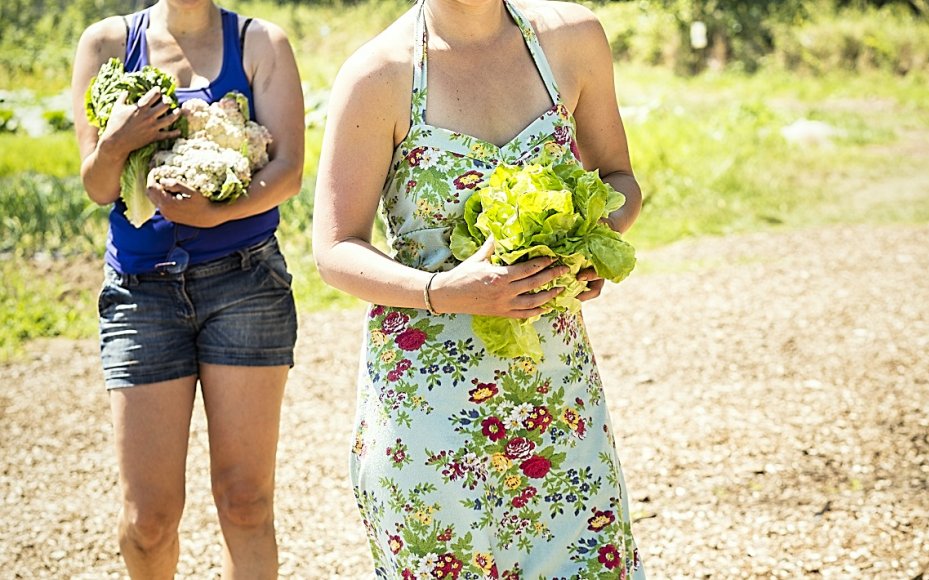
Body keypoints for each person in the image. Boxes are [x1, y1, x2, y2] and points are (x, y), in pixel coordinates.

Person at [312, 0, 644, 576]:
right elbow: (335, 249)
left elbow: (618, 178)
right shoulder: (379, 73)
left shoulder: (573, 38)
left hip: (556, 393)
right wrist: (446, 290)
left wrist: (587, 245)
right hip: (429, 409)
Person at [69, 0, 303, 576]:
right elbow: (99, 187)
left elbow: (290, 171)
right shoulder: (105, 45)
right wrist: (118, 141)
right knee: (147, 521)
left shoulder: (260, 43)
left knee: (246, 503)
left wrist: (219, 213)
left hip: (246, 282)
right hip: (141, 293)